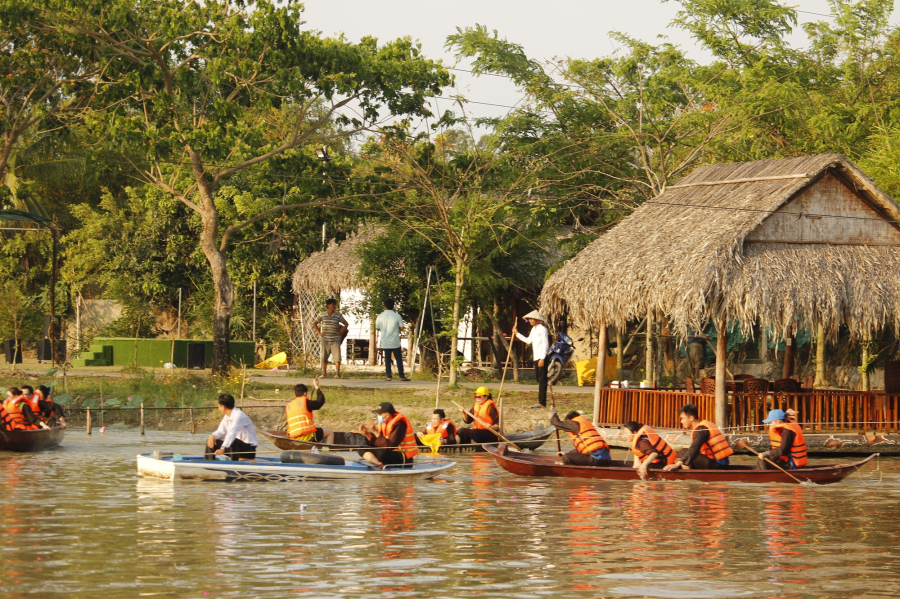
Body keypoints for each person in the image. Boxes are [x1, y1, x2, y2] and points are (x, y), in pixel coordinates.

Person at [663, 404, 734, 471]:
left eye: (682, 418)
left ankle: (688, 477)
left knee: (683, 452)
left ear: (691, 418)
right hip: (717, 462)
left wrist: (678, 464)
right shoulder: (702, 427)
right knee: (685, 453)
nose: (681, 421)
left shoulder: (701, 430)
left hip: (717, 465)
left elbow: (695, 448)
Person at [357, 402, 418, 468]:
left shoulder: (400, 424)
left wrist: (374, 431)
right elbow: (379, 441)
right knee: (361, 448)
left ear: (387, 415)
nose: (378, 416)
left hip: (402, 456)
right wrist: (367, 434)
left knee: (382, 453)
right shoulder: (384, 423)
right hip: (389, 452)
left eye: (380, 414)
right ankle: (378, 463)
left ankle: (379, 462)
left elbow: (390, 445)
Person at [205, 394, 258, 461]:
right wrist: (212, 436)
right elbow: (221, 432)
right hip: (234, 447)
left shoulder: (239, 416)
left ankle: (234, 463)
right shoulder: (227, 416)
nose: (218, 408)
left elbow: (231, 434)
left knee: (233, 441)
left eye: (218, 406)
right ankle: (209, 462)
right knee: (211, 441)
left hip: (248, 450)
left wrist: (222, 448)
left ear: (223, 407)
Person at [516, 310, 550, 408]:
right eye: (529, 319)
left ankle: (542, 403)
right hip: (536, 356)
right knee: (539, 379)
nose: (530, 321)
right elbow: (528, 341)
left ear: (536, 319)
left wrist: (542, 358)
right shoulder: (534, 330)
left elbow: (545, 344)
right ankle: (541, 401)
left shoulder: (542, 329)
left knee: (542, 380)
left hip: (542, 356)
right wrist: (517, 333)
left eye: (531, 319)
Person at [285, 377, 334, 444]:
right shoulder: (305, 403)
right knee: (329, 433)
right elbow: (320, 401)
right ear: (305, 393)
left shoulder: (289, 405)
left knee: (318, 436)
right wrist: (317, 387)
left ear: (294, 395)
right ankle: (327, 452)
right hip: (306, 435)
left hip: (293, 436)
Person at [312, 298, 349, 379]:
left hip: (335, 338)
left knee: (337, 357)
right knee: (324, 356)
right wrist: (319, 333)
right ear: (328, 306)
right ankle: (324, 373)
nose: (334, 306)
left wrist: (340, 333)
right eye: (332, 305)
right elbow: (315, 323)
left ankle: (337, 374)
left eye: (334, 304)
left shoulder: (338, 315)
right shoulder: (322, 314)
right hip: (325, 338)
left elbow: (346, 324)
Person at [375, 299, 409, 382]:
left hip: (385, 340)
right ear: (393, 306)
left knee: (387, 358)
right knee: (398, 358)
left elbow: (377, 327)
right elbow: (401, 327)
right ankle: (401, 375)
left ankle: (388, 376)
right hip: (395, 340)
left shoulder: (380, 316)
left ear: (385, 306)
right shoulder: (397, 316)